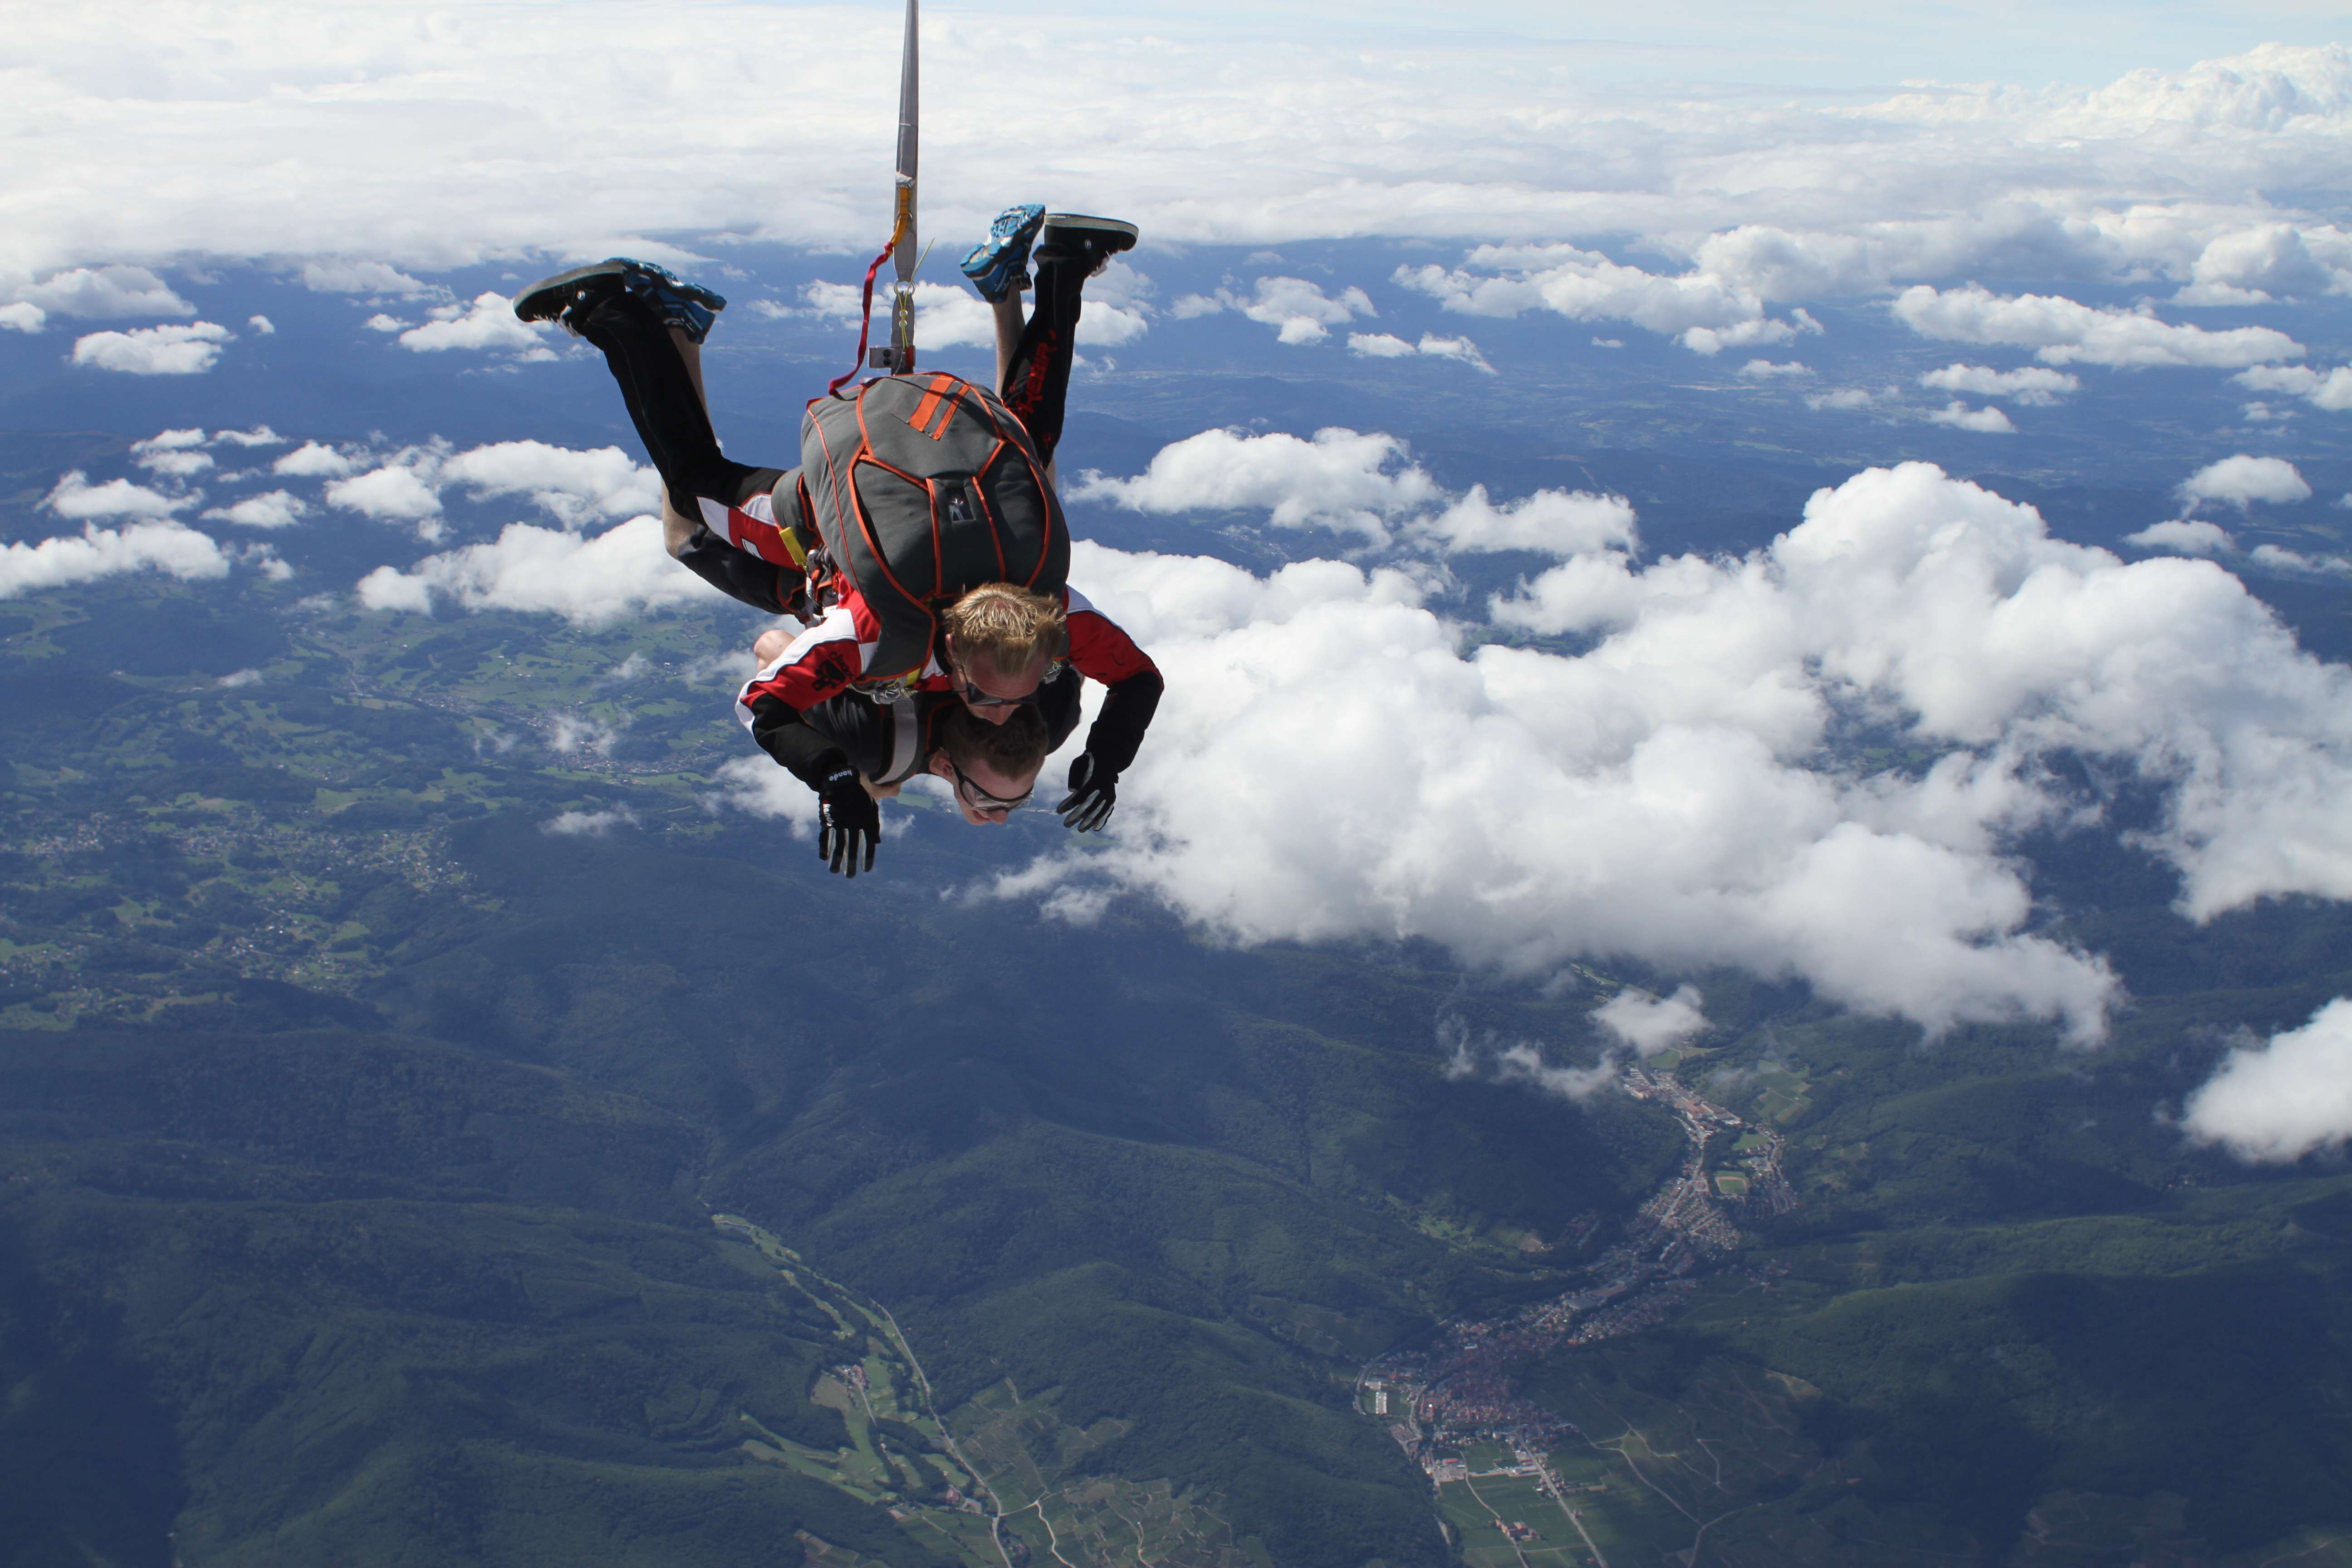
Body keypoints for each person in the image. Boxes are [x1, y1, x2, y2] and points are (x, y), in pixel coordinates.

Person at [512, 209, 1161, 877]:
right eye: (999, 698)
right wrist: (835, 778)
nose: (1004, 713)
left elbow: (1138, 679)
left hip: (944, 462)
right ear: (955, 656)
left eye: (1006, 699)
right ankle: (612, 312)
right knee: (693, 489)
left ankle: (1064, 266)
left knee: (1033, 444)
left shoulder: (1050, 618)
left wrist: (1109, 755)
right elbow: (763, 701)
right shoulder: (878, 630)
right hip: (830, 515)